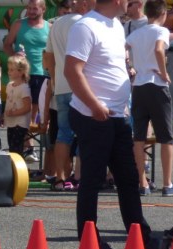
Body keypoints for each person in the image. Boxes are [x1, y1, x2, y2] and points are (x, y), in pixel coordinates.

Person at [64, 0, 156, 249]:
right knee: (92, 179)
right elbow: (72, 71)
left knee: (128, 178)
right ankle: (89, 242)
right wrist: (95, 105)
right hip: (93, 115)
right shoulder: (85, 27)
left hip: (116, 115)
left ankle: (140, 237)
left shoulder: (116, 25)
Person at [126, 0, 173, 197]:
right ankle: (167, 184)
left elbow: (123, 47)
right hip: (157, 85)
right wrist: (164, 72)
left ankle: (142, 182)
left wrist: (131, 65)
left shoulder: (136, 33)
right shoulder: (161, 31)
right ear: (163, 14)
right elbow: (159, 49)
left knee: (139, 136)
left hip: (139, 85)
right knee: (166, 137)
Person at [44, 0, 94, 191]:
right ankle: (79, 176)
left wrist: (54, 79)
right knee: (84, 132)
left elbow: (48, 57)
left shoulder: (56, 23)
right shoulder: (84, 23)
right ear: (82, 5)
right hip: (79, 85)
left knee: (63, 133)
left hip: (61, 86)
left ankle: (60, 178)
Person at [4, 0, 51, 153]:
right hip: (22, 74)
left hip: (42, 73)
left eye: (34, 8)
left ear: (43, 9)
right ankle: (28, 146)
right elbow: (7, 44)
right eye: (29, 8)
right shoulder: (18, 24)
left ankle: (30, 147)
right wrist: (15, 58)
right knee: (22, 107)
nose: (31, 11)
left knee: (35, 110)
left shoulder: (49, 28)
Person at [4, 53, 32, 156]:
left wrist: (14, 113)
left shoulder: (24, 88)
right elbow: (9, 102)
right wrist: (4, 115)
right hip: (11, 122)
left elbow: (27, 107)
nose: (9, 72)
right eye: (9, 69)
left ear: (21, 72)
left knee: (16, 149)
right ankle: (13, 165)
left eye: (12, 70)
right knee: (11, 147)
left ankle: (18, 165)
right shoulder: (9, 85)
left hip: (20, 123)